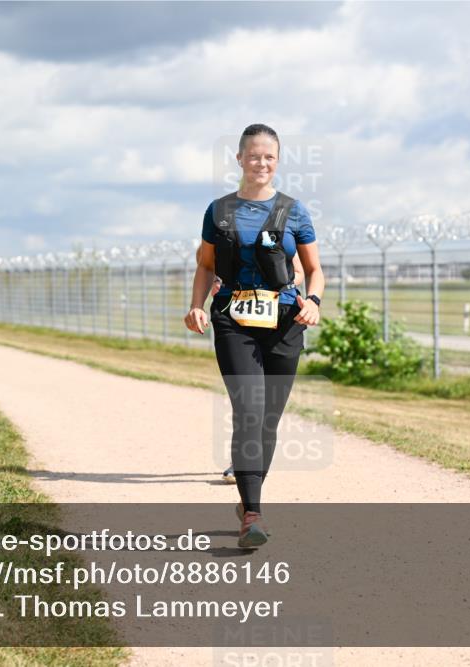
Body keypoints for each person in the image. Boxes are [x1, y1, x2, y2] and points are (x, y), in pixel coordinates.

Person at [185, 124, 324, 548]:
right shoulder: (219, 210)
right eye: (253, 155)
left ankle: (249, 500)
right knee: (249, 410)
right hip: (232, 318)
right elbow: (206, 265)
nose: (261, 163)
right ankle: (252, 513)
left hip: (285, 323)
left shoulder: (294, 210)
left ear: (277, 162)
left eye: (269, 157)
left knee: (268, 420)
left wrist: (313, 302)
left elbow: (315, 270)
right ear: (240, 159)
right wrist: (196, 305)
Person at [205, 244, 307, 486]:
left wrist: (281, 282)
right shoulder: (226, 225)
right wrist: (214, 286)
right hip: (237, 318)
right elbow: (206, 267)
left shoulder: (282, 227)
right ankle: (240, 464)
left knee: (266, 411)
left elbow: (301, 271)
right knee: (248, 404)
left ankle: (250, 467)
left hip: (276, 313)